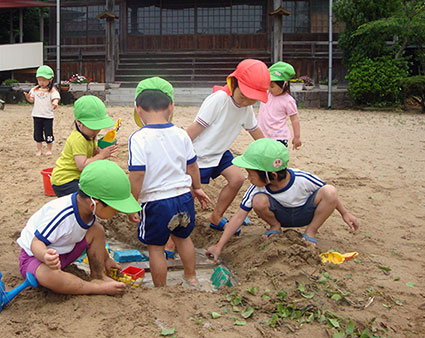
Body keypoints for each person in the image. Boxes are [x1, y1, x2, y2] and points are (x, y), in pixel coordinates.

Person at [206, 139, 359, 262]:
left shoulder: (302, 178)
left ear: (270, 174)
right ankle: (274, 227)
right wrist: (219, 246)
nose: (248, 178)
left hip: (305, 213)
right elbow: (239, 216)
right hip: (281, 216)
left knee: (330, 190)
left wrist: (344, 213)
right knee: (258, 200)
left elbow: (330, 196)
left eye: (251, 174)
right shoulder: (256, 189)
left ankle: (310, 232)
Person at [127, 77, 211, 287]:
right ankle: (191, 276)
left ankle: (160, 289)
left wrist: (131, 202)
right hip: (183, 198)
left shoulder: (138, 138)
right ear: (172, 106)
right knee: (184, 239)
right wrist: (198, 188)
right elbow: (192, 166)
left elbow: (137, 174)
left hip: (156, 202)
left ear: (138, 108)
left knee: (155, 247)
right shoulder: (181, 134)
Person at [17, 160, 141, 295]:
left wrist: (107, 259)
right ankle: (95, 288)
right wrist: (45, 256)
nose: (118, 212)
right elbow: (36, 242)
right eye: (116, 209)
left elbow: (94, 236)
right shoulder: (62, 215)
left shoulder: (88, 209)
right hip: (35, 257)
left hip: (63, 252)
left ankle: (98, 276)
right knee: (50, 277)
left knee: (97, 230)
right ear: (95, 204)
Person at [186, 58, 270, 232]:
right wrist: (179, 150)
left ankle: (216, 217)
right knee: (190, 193)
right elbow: (195, 128)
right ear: (234, 83)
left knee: (237, 179)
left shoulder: (246, 108)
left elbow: (254, 130)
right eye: (242, 96)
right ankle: (177, 233)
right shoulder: (219, 99)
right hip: (199, 155)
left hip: (220, 152)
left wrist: (269, 149)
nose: (245, 102)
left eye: (251, 100)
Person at [51, 95, 117, 197]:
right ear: (79, 123)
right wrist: (101, 156)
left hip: (79, 178)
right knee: (89, 198)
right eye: (93, 127)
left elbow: (90, 155)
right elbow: (82, 165)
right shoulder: (78, 139)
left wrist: (99, 152)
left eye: (98, 127)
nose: (96, 131)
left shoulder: (89, 135)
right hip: (65, 181)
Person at [257, 61, 302, 149]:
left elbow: (294, 119)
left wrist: (297, 137)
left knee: (276, 160)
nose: (269, 89)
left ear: (285, 85)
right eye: (268, 85)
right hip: (262, 135)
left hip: (279, 138)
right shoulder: (267, 93)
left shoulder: (288, 101)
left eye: (272, 86)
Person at [24, 65, 60, 156]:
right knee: (37, 133)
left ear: (50, 79)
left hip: (48, 116)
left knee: (49, 133)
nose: (41, 82)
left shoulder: (51, 90)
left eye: (44, 80)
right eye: (39, 80)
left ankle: (49, 149)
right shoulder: (35, 89)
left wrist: (55, 102)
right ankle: (39, 150)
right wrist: (28, 98)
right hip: (37, 115)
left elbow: (56, 98)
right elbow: (32, 100)